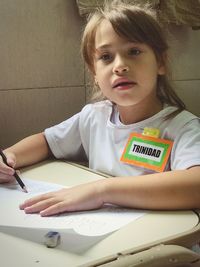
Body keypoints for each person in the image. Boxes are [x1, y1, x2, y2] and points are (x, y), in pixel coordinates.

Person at [0, 1, 200, 216]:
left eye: (134, 51)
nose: (119, 66)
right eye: (106, 57)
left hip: (166, 242)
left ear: (161, 62)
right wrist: (10, 155)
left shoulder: (182, 127)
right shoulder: (94, 116)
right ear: (94, 73)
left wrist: (101, 191)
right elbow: (46, 141)